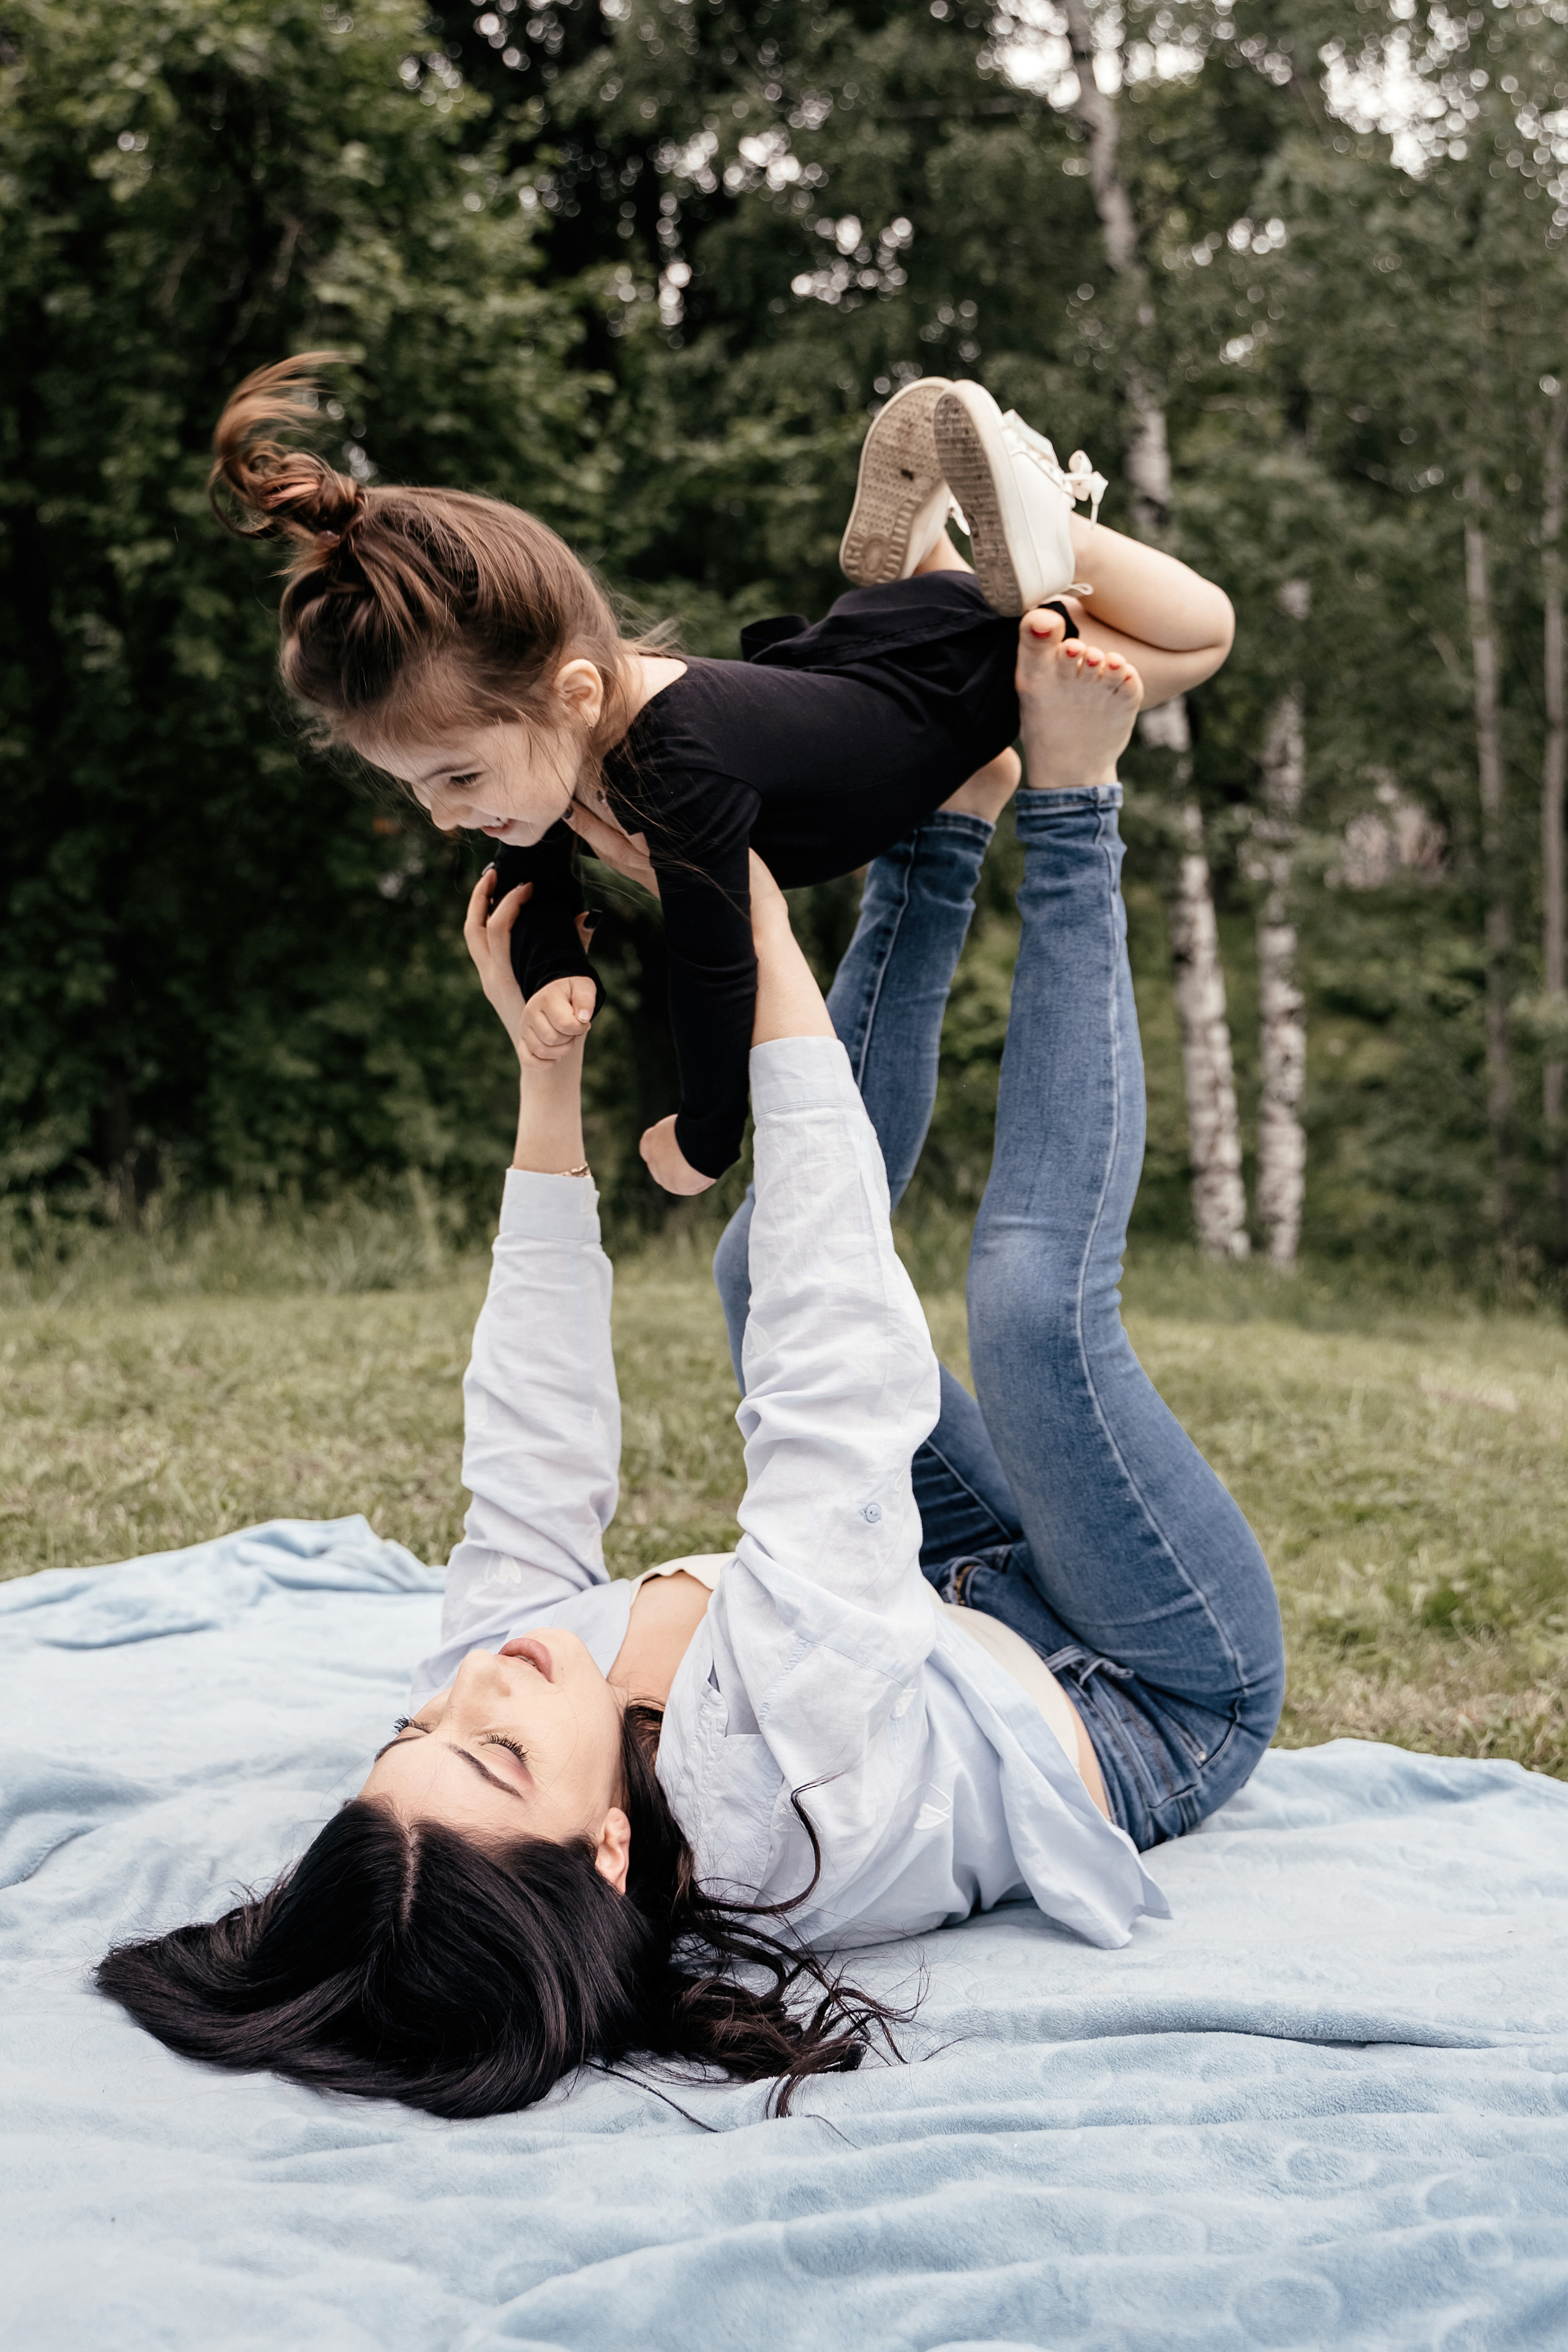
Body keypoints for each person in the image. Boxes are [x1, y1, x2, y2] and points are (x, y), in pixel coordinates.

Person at [97, 611, 1285, 2122]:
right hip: (1139, 1686)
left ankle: (938, 828)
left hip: (946, 1610)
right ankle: (1069, 794)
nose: (471, 1687)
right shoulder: (769, 1784)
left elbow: (528, 1450)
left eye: (413, 1735)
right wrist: (755, 929)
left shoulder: (493, 1713)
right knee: (1027, 1311)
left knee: (740, 1268)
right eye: (491, 1753)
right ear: (608, 1852)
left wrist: (545, 1083)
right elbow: (833, 1370)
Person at [207, 360, 1235, 1191]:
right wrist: (552, 972)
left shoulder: (675, 770)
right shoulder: (563, 728)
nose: (444, 816)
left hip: (950, 688)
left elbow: (716, 963)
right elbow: (534, 886)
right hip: (866, 657)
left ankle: (1038, 529)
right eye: (419, 787)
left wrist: (705, 1138)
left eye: (457, 779)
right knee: (1107, 633)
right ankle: (937, 550)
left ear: (570, 693)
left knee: (1200, 636)